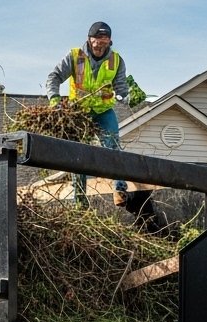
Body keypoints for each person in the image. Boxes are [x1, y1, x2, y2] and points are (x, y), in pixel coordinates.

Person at [46, 20, 131, 205]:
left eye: (104, 41)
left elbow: (121, 86)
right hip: (80, 113)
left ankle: (120, 190)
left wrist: (124, 96)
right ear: (89, 40)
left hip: (103, 111)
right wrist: (54, 99)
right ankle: (80, 200)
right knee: (78, 155)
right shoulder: (76, 56)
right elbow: (54, 76)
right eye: (97, 41)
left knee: (113, 146)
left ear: (110, 41)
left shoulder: (116, 60)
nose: (100, 45)